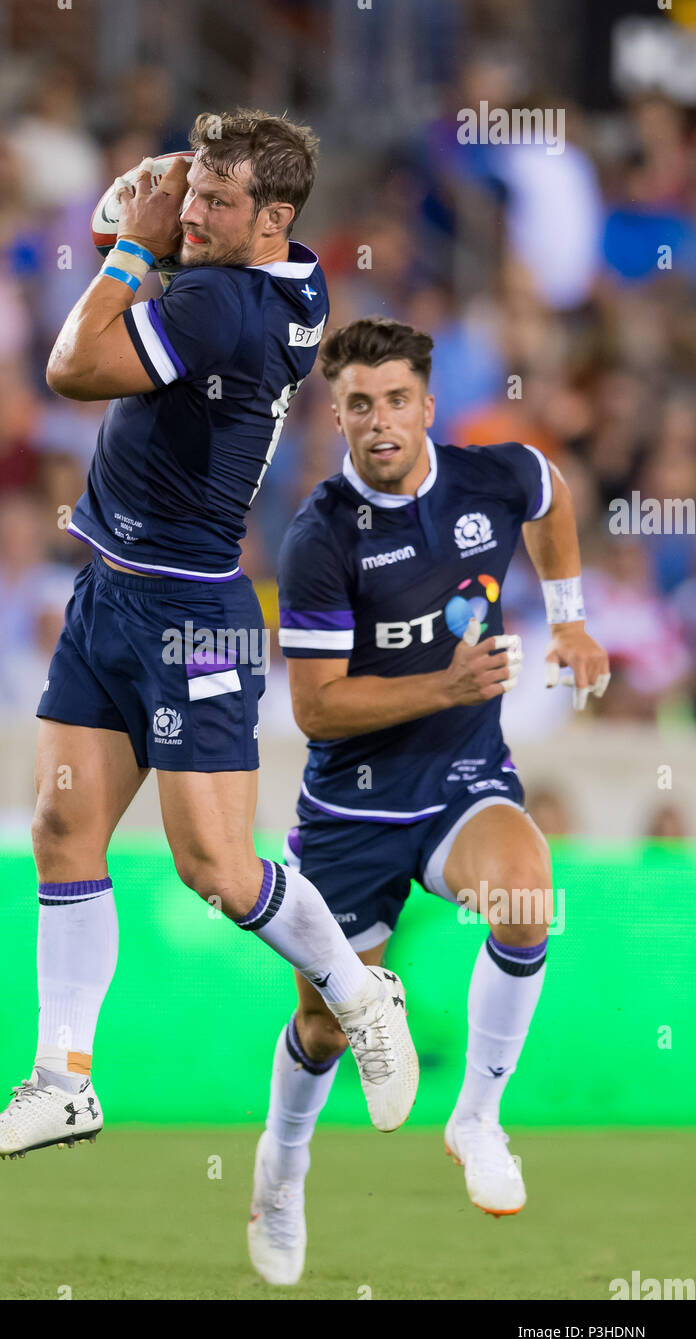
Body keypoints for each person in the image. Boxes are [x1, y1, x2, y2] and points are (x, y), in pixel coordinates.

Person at [0, 112, 419, 1163]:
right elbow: (181, 241)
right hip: (112, 588)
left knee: (213, 862)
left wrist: (127, 244)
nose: (195, 216)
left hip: (192, 614)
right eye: (196, 194)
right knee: (61, 831)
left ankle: (359, 986)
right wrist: (167, 210)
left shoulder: (216, 303)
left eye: (217, 202)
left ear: (277, 217)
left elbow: (71, 367)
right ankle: (61, 1081)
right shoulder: (297, 279)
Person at [247, 316, 610, 1285]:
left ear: (427, 404)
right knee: (324, 1029)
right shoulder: (320, 535)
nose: (380, 420)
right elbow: (319, 709)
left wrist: (571, 622)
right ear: (337, 412)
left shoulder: (489, 479)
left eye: (396, 399)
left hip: (461, 782)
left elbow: (553, 490)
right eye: (359, 403)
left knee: (528, 897)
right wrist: (447, 687)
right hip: (352, 809)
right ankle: (282, 1171)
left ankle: (480, 1119)